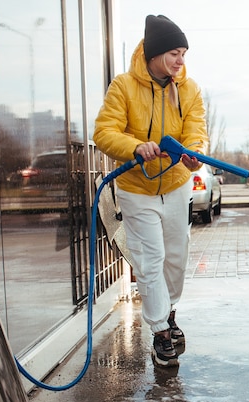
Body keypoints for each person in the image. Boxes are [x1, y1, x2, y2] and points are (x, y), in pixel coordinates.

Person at [93, 15, 208, 367]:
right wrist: (134, 146)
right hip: (135, 189)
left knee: (176, 256)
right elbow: (104, 132)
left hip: (175, 185)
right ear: (155, 53)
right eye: (174, 52)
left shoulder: (188, 89)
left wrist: (193, 156)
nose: (180, 61)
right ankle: (160, 330)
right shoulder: (124, 86)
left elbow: (196, 131)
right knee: (150, 259)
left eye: (183, 54)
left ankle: (169, 311)